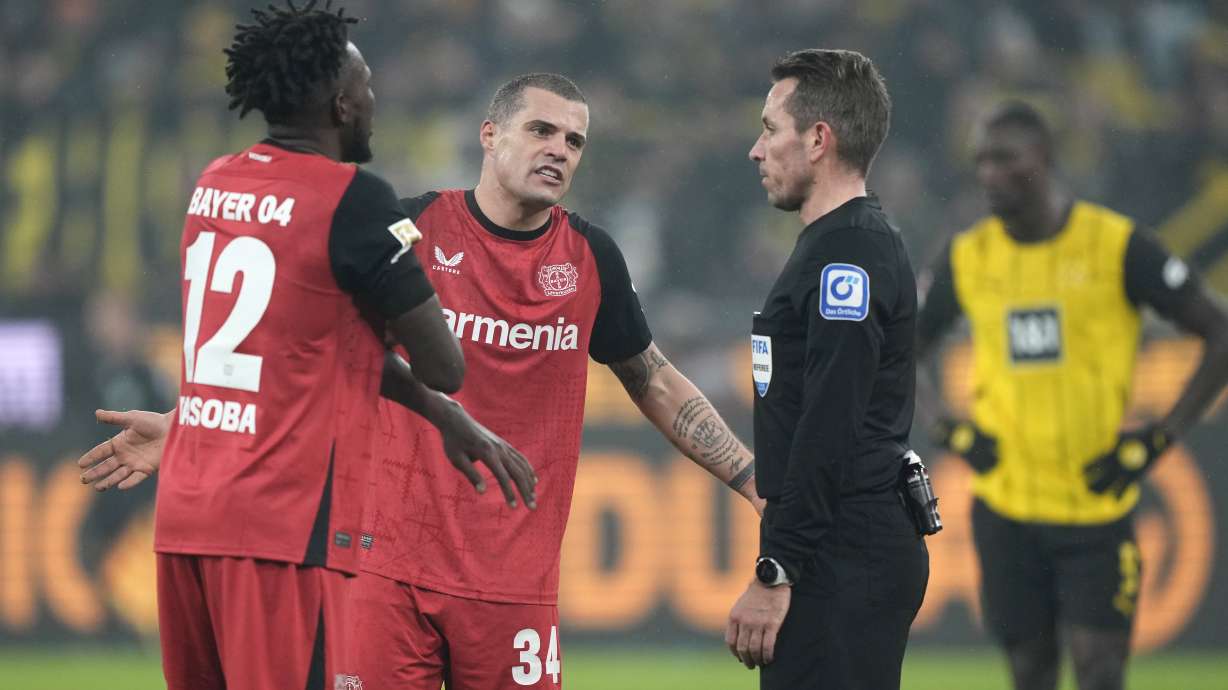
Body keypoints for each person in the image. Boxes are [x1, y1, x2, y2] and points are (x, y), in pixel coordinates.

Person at [82, 72, 761, 689]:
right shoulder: (406, 230)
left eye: (575, 141)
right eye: (541, 130)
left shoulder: (590, 258)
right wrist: (187, 424)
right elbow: (298, 356)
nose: (559, 150)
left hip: (514, 580)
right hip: (384, 568)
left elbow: (653, 378)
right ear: (489, 136)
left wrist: (750, 479)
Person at [78, 3, 531, 688]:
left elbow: (295, 350)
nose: (373, 98)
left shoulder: (215, 184)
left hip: (187, 516)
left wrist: (443, 416)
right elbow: (444, 364)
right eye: (367, 84)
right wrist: (439, 390)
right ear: (341, 101)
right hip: (280, 529)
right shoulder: (355, 201)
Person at [917, 101, 1228, 690]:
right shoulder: (969, 257)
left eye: (1003, 158)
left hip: (1095, 508)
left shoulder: (1117, 247)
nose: (988, 173)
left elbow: (1220, 333)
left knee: (1099, 673)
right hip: (1005, 510)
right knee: (1030, 674)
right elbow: (903, 349)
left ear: (1044, 159)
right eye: (981, 160)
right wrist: (945, 428)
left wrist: (1161, 437)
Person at [725, 49, 930, 690]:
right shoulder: (835, 244)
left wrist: (777, 567)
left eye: (769, 129)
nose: (757, 151)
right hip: (840, 545)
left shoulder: (851, 252)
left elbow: (831, 419)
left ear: (818, 140)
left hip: (844, 551)